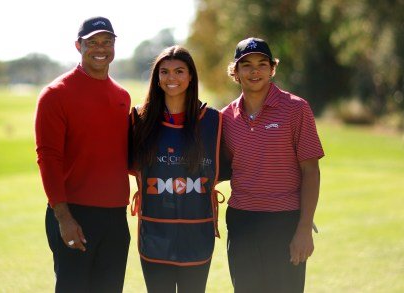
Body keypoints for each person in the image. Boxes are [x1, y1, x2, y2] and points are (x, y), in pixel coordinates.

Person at [35, 16, 131, 293]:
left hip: (115, 216)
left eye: (107, 41)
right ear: (78, 46)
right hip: (74, 214)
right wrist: (63, 217)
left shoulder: (121, 95)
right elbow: (48, 158)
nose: (101, 48)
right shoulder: (55, 94)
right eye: (92, 42)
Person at [221, 37, 325, 292]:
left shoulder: (296, 109)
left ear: (272, 69)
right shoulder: (225, 117)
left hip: (285, 222)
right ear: (235, 72)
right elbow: (218, 169)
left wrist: (303, 228)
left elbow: (311, 170)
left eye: (262, 64)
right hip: (242, 222)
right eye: (246, 65)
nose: (255, 71)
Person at [130, 45, 224, 293]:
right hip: (155, 233)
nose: (171, 78)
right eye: (165, 72)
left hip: (197, 233)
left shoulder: (213, 121)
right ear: (157, 78)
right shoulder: (139, 120)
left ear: (191, 75)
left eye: (179, 71)